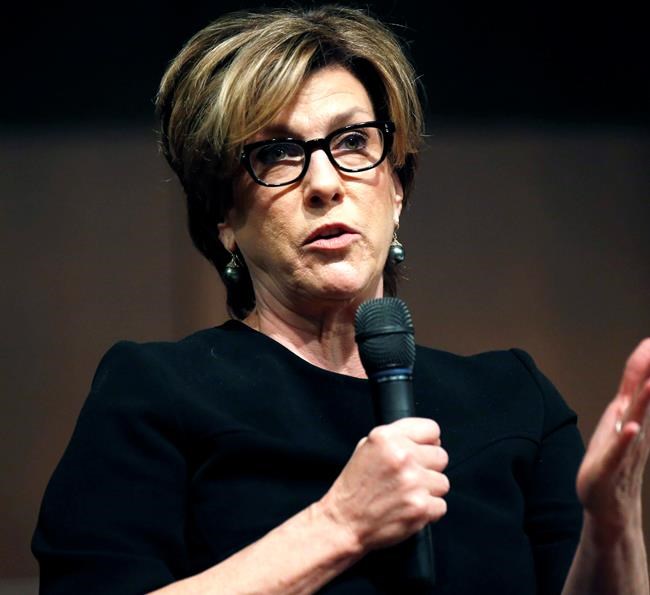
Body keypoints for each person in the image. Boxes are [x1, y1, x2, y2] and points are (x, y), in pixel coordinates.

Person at [32, 5, 650, 594]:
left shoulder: (516, 400)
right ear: (224, 218)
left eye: (353, 141)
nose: (325, 183)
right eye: (276, 153)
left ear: (397, 187)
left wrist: (612, 525)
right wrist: (340, 524)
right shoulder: (155, 394)